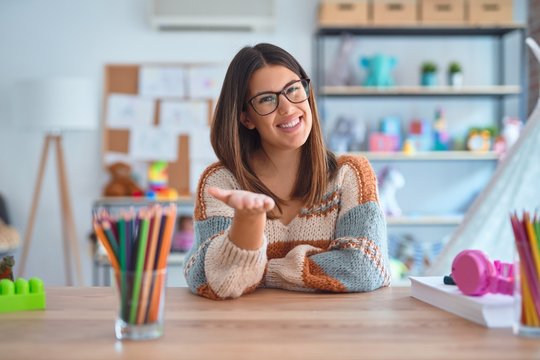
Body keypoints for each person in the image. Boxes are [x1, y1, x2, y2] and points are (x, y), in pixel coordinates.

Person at [184, 43, 390, 300]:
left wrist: (261, 271)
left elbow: (365, 267)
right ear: (246, 118)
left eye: (293, 89)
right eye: (267, 99)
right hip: (246, 336)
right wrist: (248, 220)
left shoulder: (350, 173)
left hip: (333, 333)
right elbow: (210, 280)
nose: (288, 108)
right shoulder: (222, 181)